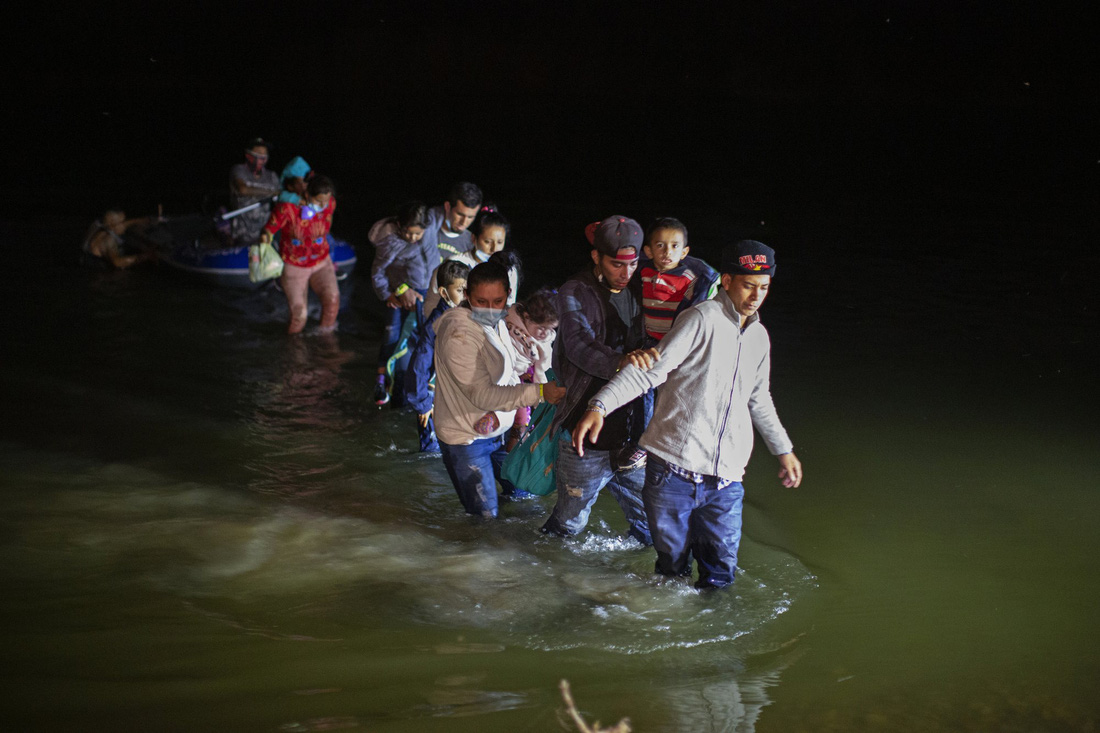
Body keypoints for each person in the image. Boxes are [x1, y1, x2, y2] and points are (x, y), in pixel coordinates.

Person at [571, 240, 803, 589]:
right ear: (726, 281)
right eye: (748, 285)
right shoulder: (700, 319)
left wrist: (783, 450)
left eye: (764, 288)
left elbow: (758, 398)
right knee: (672, 571)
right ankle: (668, 634)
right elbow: (652, 371)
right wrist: (599, 405)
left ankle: (715, 638)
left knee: (720, 575)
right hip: (672, 474)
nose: (756, 296)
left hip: (725, 481)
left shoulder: (759, 337)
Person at [539, 216, 659, 545]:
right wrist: (622, 361)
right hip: (583, 433)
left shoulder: (644, 284)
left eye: (634, 263)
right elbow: (578, 346)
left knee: (652, 525)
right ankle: (544, 575)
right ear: (596, 257)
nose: (626, 273)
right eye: (616, 264)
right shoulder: (574, 291)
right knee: (568, 525)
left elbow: (691, 267)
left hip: (635, 434)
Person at [433, 260, 566, 518]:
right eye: (481, 301)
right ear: (468, 296)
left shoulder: (500, 322)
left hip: (497, 433)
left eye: (497, 302)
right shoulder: (459, 333)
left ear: (508, 298)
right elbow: (481, 394)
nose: (490, 309)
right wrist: (539, 392)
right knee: (485, 518)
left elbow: (509, 374)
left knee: (524, 497)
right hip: (465, 438)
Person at [258, 175, 339, 334]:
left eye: (326, 201)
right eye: (319, 201)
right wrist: (265, 238)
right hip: (294, 265)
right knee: (299, 316)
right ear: (308, 195)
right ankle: (293, 351)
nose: (323, 205)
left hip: (321, 261)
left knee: (332, 302)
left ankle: (326, 343)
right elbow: (269, 229)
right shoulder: (287, 209)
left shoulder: (330, 204)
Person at [368, 201, 431, 405]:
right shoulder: (391, 242)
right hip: (399, 294)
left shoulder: (428, 235)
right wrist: (388, 295)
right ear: (399, 225)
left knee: (422, 339)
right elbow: (377, 271)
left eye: (417, 234)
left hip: (423, 292)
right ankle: (380, 382)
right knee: (391, 336)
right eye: (408, 232)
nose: (413, 238)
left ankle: (422, 384)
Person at [405, 259, 470, 452]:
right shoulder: (437, 324)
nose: (465, 295)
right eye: (460, 291)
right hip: (433, 398)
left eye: (468, 290)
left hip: (454, 394)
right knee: (432, 452)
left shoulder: (465, 316)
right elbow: (419, 364)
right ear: (443, 293)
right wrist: (423, 404)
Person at [639, 217, 720, 344]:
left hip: (676, 343)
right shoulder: (643, 273)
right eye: (660, 245)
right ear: (649, 251)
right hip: (648, 342)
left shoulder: (690, 280)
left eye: (675, 246)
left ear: (684, 252)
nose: (667, 252)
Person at [422, 204, 514, 315]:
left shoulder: (509, 270)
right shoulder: (454, 263)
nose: (494, 248)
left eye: (499, 242)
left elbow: (508, 307)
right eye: (488, 242)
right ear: (473, 238)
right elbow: (431, 303)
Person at [502, 288, 558, 452]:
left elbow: (542, 373)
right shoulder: (508, 319)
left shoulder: (544, 345)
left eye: (551, 328)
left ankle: (512, 459)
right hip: (501, 374)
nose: (545, 333)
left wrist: (540, 396)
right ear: (526, 317)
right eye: (541, 327)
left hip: (522, 382)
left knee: (521, 422)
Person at [229, 138, 281, 246]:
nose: (262, 157)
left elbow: (279, 198)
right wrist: (272, 193)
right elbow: (242, 189)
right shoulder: (239, 170)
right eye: (258, 153)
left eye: (265, 154)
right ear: (248, 154)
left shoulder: (272, 176)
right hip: (243, 231)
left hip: (266, 230)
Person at [81, 209, 157, 269]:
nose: (124, 225)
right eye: (122, 222)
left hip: (86, 257)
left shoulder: (97, 224)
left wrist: (141, 220)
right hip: (99, 272)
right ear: (112, 224)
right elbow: (117, 263)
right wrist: (147, 256)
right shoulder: (109, 240)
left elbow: (120, 224)